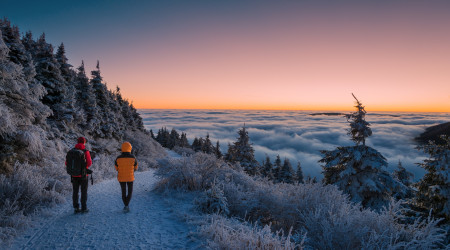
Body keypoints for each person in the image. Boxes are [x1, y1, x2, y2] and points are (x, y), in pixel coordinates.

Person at [67, 137, 92, 213]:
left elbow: (66, 163)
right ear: (84, 142)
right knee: (83, 191)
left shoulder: (71, 151)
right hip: (83, 175)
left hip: (74, 175)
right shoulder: (85, 151)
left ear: (77, 142)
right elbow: (89, 163)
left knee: (75, 191)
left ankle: (76, 208)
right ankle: (84, 208)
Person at [115, 142, 138, 212]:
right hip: (130, 177)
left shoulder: (118, 158)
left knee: (123, 191)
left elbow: (116, 168)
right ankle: (127, 205)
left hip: (121, 177)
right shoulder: (133, 158)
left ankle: (125, 205)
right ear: (130, 148)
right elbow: (136, 168)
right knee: (130, 192)